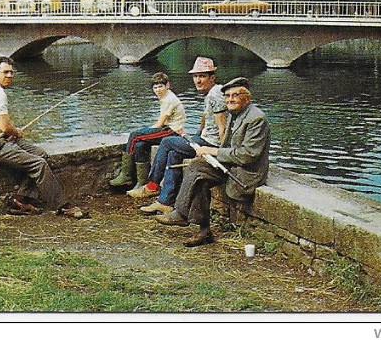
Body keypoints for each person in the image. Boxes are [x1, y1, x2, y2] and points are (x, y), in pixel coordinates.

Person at [0, 56, 88, 219]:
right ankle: (62, 206)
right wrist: (16, 133)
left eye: (12, 72)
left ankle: (19, 200)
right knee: (39, 164)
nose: (10, 75)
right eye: (6, 72)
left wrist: (9, 136)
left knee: (41, 155)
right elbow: (6, 127)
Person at [156, 79, 270, 247]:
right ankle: (200, 228)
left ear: (247, 98)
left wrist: (212, 151)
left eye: (235, 95)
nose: (230, 99)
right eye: (227, 96)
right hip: (231, 164)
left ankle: (183, 216)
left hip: (245, 173)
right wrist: (209, 156)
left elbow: (248, 155)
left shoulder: (256, 119)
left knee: (199, 173)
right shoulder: (235, 113)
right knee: (196, 167)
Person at [128, 57, 226, 216]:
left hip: (211, 144)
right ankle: (165, 202)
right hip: (204, 139)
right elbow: (205, 118)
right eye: (195, 76)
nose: (198, 80)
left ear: (212, 77)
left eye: (202, 76)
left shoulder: (215, 95)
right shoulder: (211, 94)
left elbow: (223, 127)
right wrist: (195, 134)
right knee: (174, 153)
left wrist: (222, 154)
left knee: (167, 142)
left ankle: (152, 186)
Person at [110, 72, 186, 193]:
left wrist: (145, 131)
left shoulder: (169, 100)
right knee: (140, 145)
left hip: (171, 131)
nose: (158, 90)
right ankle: (142, 181)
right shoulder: (166, 96)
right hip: (169, 129)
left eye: (161, 86)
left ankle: (126, 175)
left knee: (135, 135)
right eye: (155, 87)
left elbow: (160, 124)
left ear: (168, 86)